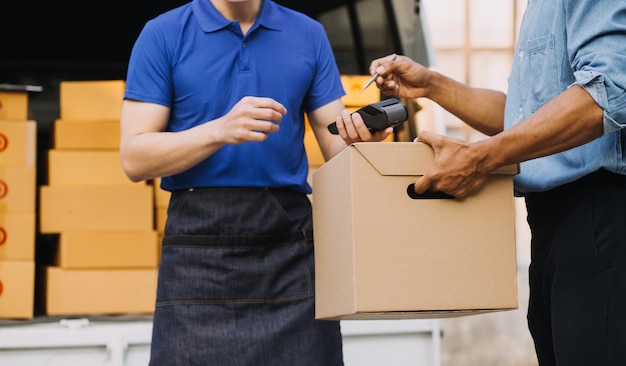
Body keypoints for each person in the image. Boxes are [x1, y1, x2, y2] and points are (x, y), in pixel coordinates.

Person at [119, 0, 391, 365]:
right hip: (197, 251)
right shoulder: (163, 33)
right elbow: (134, 158)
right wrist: (219, 130)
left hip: (289, 249)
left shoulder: (307, 33)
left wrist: (363, 139)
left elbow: (336, 149)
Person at [368, 2, 626, 365]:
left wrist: (481, 157)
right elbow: (524, 120)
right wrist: (432, 85)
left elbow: (608, 95)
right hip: (552, 226)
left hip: (597, 218)